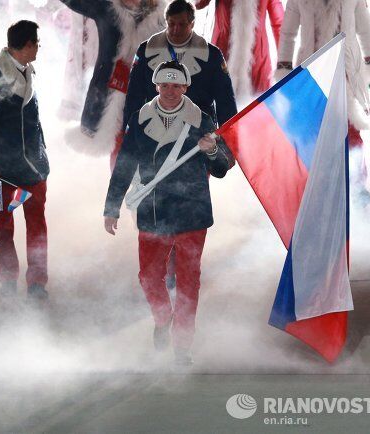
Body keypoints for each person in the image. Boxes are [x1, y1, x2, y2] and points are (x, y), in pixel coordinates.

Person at [104, 61, 234, 364]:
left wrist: (212, 151)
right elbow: (125, 163)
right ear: (156, 86)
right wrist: (112, 207)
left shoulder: (202, 119)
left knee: (189, 281)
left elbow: (222, 168)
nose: (171, 91)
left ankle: (182, 348)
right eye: (165, 85)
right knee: (149, 277)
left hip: (192, 212)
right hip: (153, 210)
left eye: (177, 85)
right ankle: (163, 319)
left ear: (186, 87)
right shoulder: (140, 118)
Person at [275, 0, 370, 206]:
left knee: (350, 130)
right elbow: (288, 33)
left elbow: (365, 28)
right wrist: (285, 69)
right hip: (311, 70)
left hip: (346, 69)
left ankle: (357, 187)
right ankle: (313, 187)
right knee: (311, 130)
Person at [0, 20, 50, 301]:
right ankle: (7, 281)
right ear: (28, 45)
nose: (38, 48)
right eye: (37, 43)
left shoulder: (26, 70)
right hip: (4, 171)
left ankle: (37, 283)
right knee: (4, 227)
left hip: (33, 167)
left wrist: (42, 156)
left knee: (37, 228)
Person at [117, 0, 237, 167]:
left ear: (192, 23)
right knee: (150, 187)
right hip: (154, 131)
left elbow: (225, 102)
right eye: (171, 24)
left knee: (194, 187)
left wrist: (228, 143)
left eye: (182, 24)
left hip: (198, 135)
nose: (175, 30)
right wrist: (128, 134)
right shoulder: (146, 50)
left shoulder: (212, 55)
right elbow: (134, 96)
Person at [58, 0, 166, 154]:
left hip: (144, 101)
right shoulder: (107, 8)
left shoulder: (165, 18)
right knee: (118, 157)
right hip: (104, 99)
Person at [195, 0, 284, 101]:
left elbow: (280, 24)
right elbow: (199, 4)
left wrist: (285, 64)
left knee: (256, 111)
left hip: (257, 65)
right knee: (220, 108)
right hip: (222, 60)